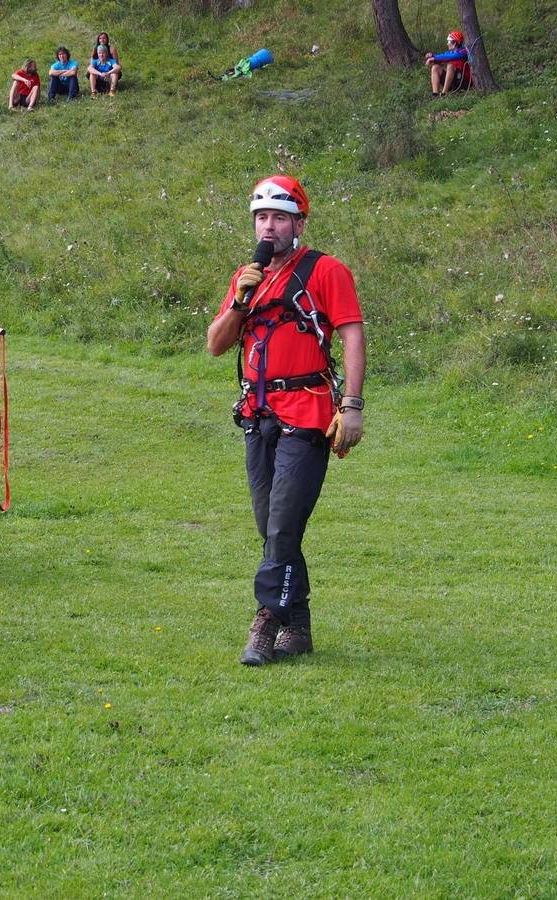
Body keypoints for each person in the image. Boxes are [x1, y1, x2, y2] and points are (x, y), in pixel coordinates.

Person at [205, 175, 366, 665]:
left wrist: (352, 406)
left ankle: (266, 621)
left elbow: (352, 336)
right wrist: (239, 303)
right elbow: (216, 345)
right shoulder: (246, 276)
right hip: (258, 415)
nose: (268, 227)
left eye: (279, 217)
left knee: (282, 525)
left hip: (308, 412)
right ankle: (299, 627)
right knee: (270, 524)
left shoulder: (326, 271)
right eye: (261, 218)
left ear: (299, 224)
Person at [425, 30, 471, 96]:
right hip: (454, 82)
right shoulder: (450, 52)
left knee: (450, 65)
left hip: (463, 82)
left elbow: (452, 56)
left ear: (454, 43)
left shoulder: (463, 51)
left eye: (449, 42)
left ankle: (444, 93)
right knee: (435, 67)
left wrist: (434, 58)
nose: (447, 44)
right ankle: (435, 94)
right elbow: (443, 56)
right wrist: (432, 56)